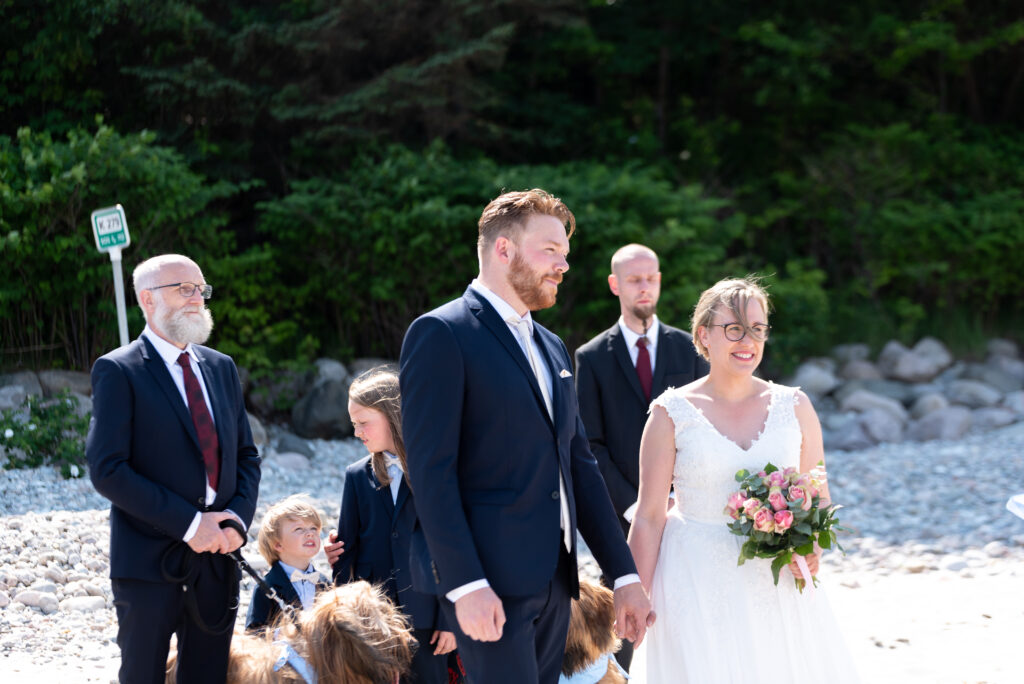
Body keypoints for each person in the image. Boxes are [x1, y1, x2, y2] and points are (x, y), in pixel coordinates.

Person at [398, 188, 653, 684]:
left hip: (556, 586)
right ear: (503, 250)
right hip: (487, 584)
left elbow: (580, 466)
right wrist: (464, 583)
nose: (562, 265)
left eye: (565, 254)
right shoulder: (440, 334)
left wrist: (623, 575)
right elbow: (431, 474)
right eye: (550, 250)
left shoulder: (553, 347)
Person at [627, 277, 859, 682]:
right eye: (733, 328)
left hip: (777, 580)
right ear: (704, 335)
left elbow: (818, 496)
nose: (747, 340)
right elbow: (648, 517)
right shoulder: (670, 414)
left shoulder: (795, 406)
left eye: (757, 328)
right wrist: (633, 592)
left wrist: (811, 547)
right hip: (694, 581)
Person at [86, 253, 261, 684]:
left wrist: (235, 521)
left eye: (201, 289)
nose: (197, 298)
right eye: (184, 289)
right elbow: (107, 469)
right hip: (148, 561)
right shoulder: (118, 370)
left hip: (218, 558)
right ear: (147, 299)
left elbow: (246, 457)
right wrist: (188, 524)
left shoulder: (221, 367)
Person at [573, 243, 707, 668]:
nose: (644, 287)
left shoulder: (690, 350)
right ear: (615, 285)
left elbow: (706, 432)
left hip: (689, 511)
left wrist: (675, 500)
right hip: (620, 517)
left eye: (651, 278)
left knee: (690, 614)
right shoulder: (591, 358)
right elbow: (589, 445)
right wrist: (637, 506)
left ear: (660, 281)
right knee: (627, 622)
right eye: (634, 280)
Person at [332, 367, 457, 684]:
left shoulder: (439, 470)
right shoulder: (356, 476)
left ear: (394, 415)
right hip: (375, 623)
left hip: (432, 619)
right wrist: (350, 621)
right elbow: (346, 553)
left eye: (363, 423)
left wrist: (451, 617)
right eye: (353, 424)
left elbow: (457, 546)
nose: (357, 432)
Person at [245, 494, 331, 633]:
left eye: (314, 528)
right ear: (278, 544)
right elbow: (253, 634)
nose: (310, 533)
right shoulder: (266, 587)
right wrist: (283, 633)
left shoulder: (324, 583)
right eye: (299, 529)